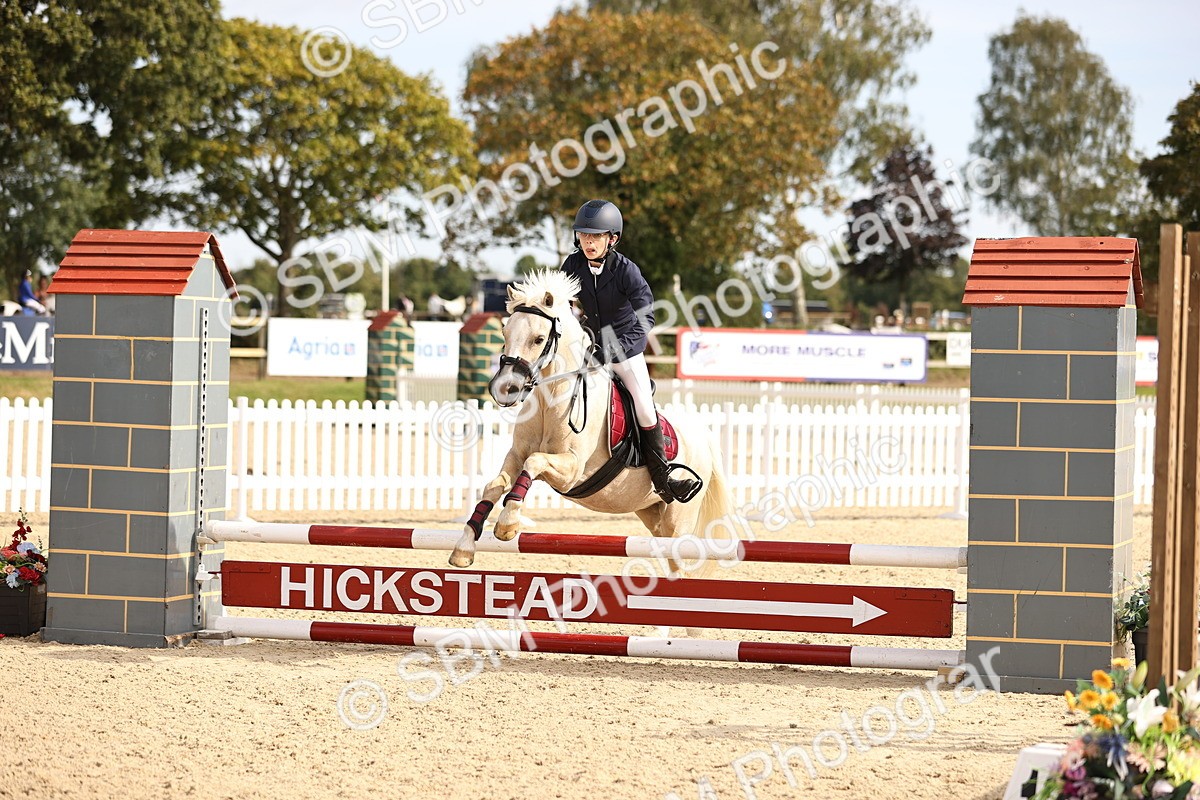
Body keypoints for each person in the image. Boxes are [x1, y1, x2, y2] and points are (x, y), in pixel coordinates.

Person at [560, 199, 700, 504]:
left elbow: (646, 317)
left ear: (612, 239)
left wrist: (616, 349)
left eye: (596, 236)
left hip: (626, 347)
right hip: (590, 344)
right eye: (584, 235)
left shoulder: (627, 271)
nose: (588, 242)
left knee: (643, 404)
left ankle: (662, 477)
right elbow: (561, 303)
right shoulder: (572, 265)